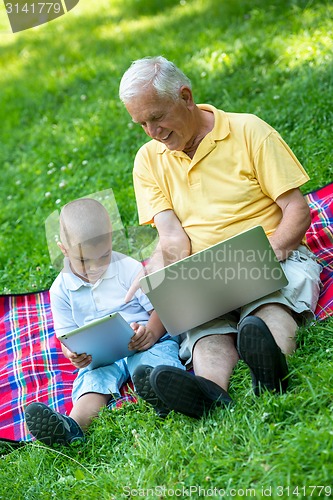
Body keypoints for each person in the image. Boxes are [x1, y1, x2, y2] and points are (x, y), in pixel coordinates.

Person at [118, 55, 322, 419]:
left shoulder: (249, 131)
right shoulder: (148, 160)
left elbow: (297, 210)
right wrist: (163, 269)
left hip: (271, 253)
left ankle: (270, 369)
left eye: (157, 117)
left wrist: (273, 251)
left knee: (268, 308)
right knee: (204, 330)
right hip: (206, 272)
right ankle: (210, 391)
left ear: (185, 96)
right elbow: (172, 238)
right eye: (142, 124)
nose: (153, 132)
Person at [25, 197, 187, 446]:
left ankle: (163, 394)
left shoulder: (128, 268)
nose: (94, 268)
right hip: (100, 357)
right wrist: (73, 354)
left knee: (154, 362)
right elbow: (66, 336)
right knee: (92, 383)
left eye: (102, 257)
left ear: (111, 239)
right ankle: (71, 427)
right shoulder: (61, 290)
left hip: (143, 340)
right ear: (63, 250)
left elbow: (162, 308)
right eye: (83, 261)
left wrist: (151, 333)